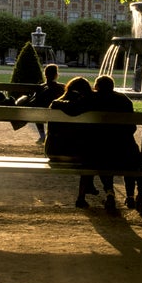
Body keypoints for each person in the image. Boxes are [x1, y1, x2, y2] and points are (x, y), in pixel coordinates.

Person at [88, 75, 142, 213]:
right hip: (127, 151)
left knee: (101, 158)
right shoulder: (124, 100)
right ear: (113, 87)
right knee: (130, 158)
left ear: (97, 87)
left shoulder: (94, 99)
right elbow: (132, 128)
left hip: (103, 150)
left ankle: (109, 192)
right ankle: (130, 195)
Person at [46, 77, 101, 207]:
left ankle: (89, 187)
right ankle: (81, 197)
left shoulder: (56, 103)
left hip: (52, 151)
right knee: (90, 155)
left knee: (88, 151)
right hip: (71, 153)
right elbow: (75, 109)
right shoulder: (84, 106)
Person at [26, 64, 66, 143]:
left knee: (37, 111)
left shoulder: (41, 88)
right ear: (56, 75)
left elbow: (35, 102)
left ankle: (42, 135)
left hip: (41, 114)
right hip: (58, 115)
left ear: (45, 74)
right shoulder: (61, 87)